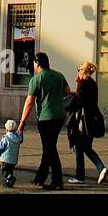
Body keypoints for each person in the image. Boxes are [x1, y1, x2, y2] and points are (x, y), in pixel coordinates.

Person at [17, 52, 70, 190]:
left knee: (50, 149)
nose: (33, 66)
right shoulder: (59, 75)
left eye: (34, 64)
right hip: (60, 117)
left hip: (46, 118)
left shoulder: (36, 79)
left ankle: (57, 181)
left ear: (37, 63)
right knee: (49, 147)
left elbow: (29, 102)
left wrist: (22, 123)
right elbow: (68, 92)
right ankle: (40, 177)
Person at [67, 62, 108, 185]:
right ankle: (101, 168)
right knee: (86, 147)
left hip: (81, 121)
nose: (77, 72)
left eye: (78, 69)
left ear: (83, 71)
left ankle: (80, 176)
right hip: (92, 120)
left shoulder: (83, 83)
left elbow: (78, 101)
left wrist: (69, 100)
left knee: (78, 147)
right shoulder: (93, 83)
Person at [0, 118, 24, 187]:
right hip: (13, 160)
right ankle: (9, 181)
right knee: (10, 170)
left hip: (5, 159)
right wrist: (21, 129)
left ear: (7, 130)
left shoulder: (6, 138)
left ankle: (10, 178)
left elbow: (1, 147)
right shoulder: (18, 138)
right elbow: (21, 136)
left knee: (4, 171)